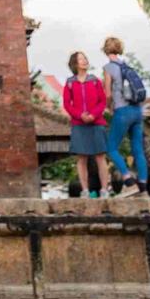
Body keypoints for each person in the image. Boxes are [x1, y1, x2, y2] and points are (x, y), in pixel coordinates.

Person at [100, 36, 150, 196]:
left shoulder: (108, 68)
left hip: (122, 111)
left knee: (111, 148)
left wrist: (108, 108)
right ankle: (143, 185)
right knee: (138, 150)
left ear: (106, 50)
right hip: (137, 111)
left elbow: (108, 93)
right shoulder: (128, 67)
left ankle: (128, 180)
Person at [61, 51, 112, 199]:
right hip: (79, 124)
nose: (84, 61)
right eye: (80, 59)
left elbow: (102, 101)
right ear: (75, 64)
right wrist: (80, 115)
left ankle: (104, 189)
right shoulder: (70, 83)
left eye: (85, 59)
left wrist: (93, 115)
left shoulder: (94, 81)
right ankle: (85, 190)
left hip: (96, 123)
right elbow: (67, 104)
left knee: (100, 157)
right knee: (81, 158)